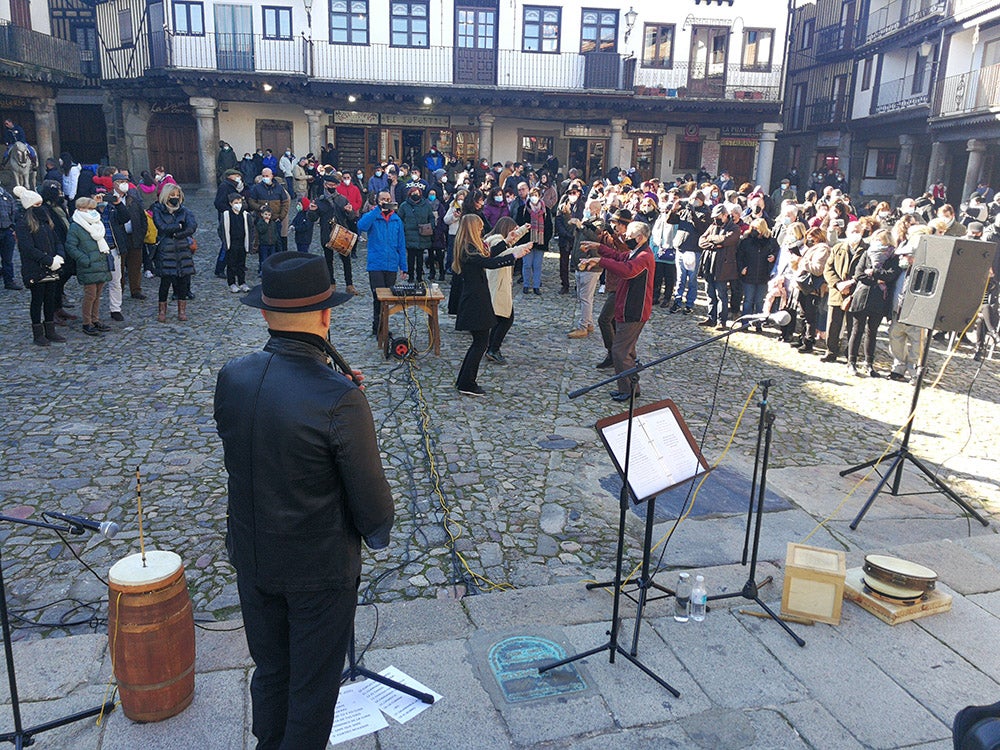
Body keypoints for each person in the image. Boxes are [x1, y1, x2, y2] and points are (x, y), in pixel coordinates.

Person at [214, 252, 394, 750]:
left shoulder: (233, 375)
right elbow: (374, 508)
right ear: (325, 315)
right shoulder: (338, 396)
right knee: (312, 691)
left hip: (253, 557)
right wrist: (349, 405)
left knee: (271, 671)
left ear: (267, 314)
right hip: (318, 569)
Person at [452, 214, 530, 396]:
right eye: (478, 228)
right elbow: (489, 262)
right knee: (480, 343)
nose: (481, 230)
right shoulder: (468, 248)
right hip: (475, 300)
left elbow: (488, 254)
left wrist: (508, 243)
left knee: (479, 343)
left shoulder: (469, 246)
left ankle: (464, 380)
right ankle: (467, 383)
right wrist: (513, 255)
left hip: (477, 298)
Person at [580, 221, 656, 402]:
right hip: (628, 307)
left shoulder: (644, 256)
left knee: (620, 351)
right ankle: (632, 387)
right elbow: (619, 256)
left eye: (629, 236)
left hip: (634, 310)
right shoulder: (636, 252)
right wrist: (599, 248)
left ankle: (628, 390)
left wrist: (600, 260)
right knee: (627, 351)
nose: (625, 238)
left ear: (640, 238)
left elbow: (627, 270)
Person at [13, 186, 66, 345]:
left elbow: (56, 240)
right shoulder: (23, 225)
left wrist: (59, 255)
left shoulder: (45, 221)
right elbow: (28, 249)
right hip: (36, 269)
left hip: (51, 266)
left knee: (50, 299)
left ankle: (50, 330)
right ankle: (38, 333)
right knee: (37, 300)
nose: (41, 208)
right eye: (37, 205)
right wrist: (48, 260)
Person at [846, 230, 901, 377]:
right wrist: (877, 279)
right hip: (862, 296)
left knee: (872, 332)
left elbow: (891, 275)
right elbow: (859, 274)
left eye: (880, 239)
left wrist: (873, 273)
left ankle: (869, 363)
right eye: (876, 239)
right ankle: (851, 362)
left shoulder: (893, 257)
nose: (877, 242)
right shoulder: (867, 253)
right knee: (857, 330)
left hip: (880, 299)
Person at [357, 191, 407, 335]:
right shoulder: (373, 217)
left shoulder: (396, 220)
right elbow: (361, 226)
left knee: (388, 298)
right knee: (378, 297)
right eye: (383, 199)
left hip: (391, 264)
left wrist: (403, 266)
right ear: (378, 200)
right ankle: (377, 326)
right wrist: (378, 210)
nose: (386, 201)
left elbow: (401, 244)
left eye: (388, 199)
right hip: (376, 264)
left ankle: (384, 325)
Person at [65, 197, 112, 335]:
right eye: (89, 208)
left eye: (93, 208)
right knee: (90, 295)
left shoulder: (97, 223)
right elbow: (71, 246)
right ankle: (87, 322)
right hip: (88, 265)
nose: (92, 211)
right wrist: (84, 260)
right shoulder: (76, 226)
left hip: (100, 263)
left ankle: (95, 319)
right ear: (80, 208)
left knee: (97, 295)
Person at [151, 184, 198, 323]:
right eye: (172, 195)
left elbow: (192, 227)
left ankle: (182, 310)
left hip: (182, 246)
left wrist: (178, 234)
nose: (175, 198)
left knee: (183, 280)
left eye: (177, 195)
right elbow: (162, 227)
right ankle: (162, 310)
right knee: (165, 281)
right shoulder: (158, 209)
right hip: (166, 248)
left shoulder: (184, 211)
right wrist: (178, 226)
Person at [484, 216, 526, 364]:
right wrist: (521, 249)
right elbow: (503, 250)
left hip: (498, 283)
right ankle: (493, 348)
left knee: (500, 318)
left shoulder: (494, 239)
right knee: (506, 318)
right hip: (499, 284)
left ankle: (491, 347)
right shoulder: (496, 240)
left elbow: (510, 241)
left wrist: (523, 230)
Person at [308, 173, 356, 294]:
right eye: (330, 185)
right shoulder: (319, 201)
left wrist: (350, 212)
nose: (332, 187)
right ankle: (331, 283)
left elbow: (351, 217)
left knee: (346, 259)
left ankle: (349, 284)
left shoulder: (342, 199)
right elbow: (312, 218)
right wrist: (312, 211)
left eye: (334, 185)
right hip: (327, 232)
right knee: (328, 259)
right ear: (325, 185)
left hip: (340, 232)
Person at [697, 204, 740, 329]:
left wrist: (712, 240)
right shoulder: (712, 226)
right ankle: (711, 318)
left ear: (725, 215)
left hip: (723, 267)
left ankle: (722, 320)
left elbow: (727, 240)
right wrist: (714, 243)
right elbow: (701, 241)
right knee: (709, 293)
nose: (715, 219)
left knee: (721, 295)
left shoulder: (734, 228)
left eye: (718, 216)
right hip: (709, 265)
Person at [736, 218, 778, 331]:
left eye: (756, 228)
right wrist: (741, 268)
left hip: (764, 276)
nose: (754, 230)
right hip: (749, 274)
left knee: (759, 301)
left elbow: (776, 254)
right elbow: (740, 256)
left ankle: (758, 324)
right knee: (748, 301)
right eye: (753, 228)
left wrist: (773, 258)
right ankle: (744, 323)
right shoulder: (746, 241)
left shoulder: (771, 242)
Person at [515, 187, 553, 295]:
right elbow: (519, 225)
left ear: (540, 196)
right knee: (527, 264)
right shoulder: (522, 209)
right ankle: (526, 284)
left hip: (540, 242)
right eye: (532, 195)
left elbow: (549, 227)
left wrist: (545, 240)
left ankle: (536, 285)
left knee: (537, 265)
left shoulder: (546, 211)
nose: (534, 198)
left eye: (536, 195)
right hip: (527, 241)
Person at [397, 184, 435, 283]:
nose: (415, 195)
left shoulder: (426, 205)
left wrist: (430, 226)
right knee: (410, 257)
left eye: (417, 193)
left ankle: (419, 276)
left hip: (422, 234)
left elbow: (431, 217)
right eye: (413, 193)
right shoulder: (404, 206)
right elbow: (399, 219)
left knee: (420, 258)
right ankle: (410, 275)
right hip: (409, 234)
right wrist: (403, 228)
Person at [248, 168, 291, 253]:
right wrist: (260, 207)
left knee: (277, 241)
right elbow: (251, 201)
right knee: (263, 242)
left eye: (267, 176)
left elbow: (285, 203)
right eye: (263, 176)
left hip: (275, 219)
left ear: (272, 176)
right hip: (262, 220)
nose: (265, 178)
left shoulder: (279, 188)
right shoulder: (257, 188)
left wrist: (281, 217)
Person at [219, 193, 252, 293]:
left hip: (242, 242)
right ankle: (232, 283)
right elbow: (221, 230)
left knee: (241, 264)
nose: (238, 205)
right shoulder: (226, 215)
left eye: (240, 202)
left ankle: (242, 282)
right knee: (231, 264)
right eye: (236, 203)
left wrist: (250, 242)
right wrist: (225, 241)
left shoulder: (245, 215)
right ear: (230, 203)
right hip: (232, 242)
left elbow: (251, 229)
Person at [0, 181, 22, 290]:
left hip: (7, 230)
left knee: (7, 259)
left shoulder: (6, 196)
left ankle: (9, 281)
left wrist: (13, 227)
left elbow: (14, 212)